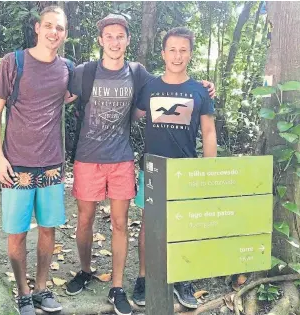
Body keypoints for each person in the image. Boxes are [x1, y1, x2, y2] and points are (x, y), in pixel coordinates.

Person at [64, 14, 215, 315]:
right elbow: (60, 94)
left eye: (121, 35)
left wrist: (205, 87)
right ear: (101, 40)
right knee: (92, 220)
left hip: (130, 160)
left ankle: (127, 285)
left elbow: (198, 119)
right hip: (105, 160)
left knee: (132, 223)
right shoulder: (88, 73)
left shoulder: (140, 75)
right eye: (109, 36)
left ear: (128, 40)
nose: (115, 41)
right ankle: (89, 270)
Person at [0, 6, 72, 315]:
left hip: (52, 165)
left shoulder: (67, 69)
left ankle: (42, 288)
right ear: (38, 27)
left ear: (65, 32)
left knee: (49, 229)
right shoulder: (14, 62)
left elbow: (104, 80)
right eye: (48, 26)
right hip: (16, 164)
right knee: (17, 233)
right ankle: (23, 292)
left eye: (59, 28)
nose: (54, 32)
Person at [132, 27, 217, 309]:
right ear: (163, 53)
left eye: (183, 50)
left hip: (186, 170)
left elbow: (208, 133)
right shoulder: (150, 87)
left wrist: (208, 171)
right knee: (148, 224)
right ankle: (144, 278)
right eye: (172, 50)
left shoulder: (199, 91)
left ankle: (182, 280)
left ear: (190, 54)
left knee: (184, 226)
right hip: (152, 169)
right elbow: (133, 114)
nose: (177, 55)